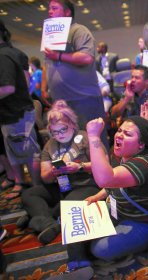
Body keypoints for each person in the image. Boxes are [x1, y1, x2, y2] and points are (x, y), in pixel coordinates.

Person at [52, 116, 148, 278]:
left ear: (141, 145)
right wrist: (96, 195)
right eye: (119, 130)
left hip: (143, 223)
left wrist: (93, 136)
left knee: (100, 249)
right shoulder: (123, 154)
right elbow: (110, 179)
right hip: (120, 210)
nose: (119, 135)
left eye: (127, 134)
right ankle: (79, 263)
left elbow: (106, 178)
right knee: (78, 211)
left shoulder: (144, 165)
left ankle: (144, 242)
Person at [18, 100, 102, 245]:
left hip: (86, 185)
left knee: (67, 206)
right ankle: (47, 222)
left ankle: (38, 216)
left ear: (72, 124)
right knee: (29, 194)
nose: (59, 134)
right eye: (55, 131)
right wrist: (52, 172)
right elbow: (45, 177)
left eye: (63, 129)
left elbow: (102, 165)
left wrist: (80, 167)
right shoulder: (50, 145)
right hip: (62, 187)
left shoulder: (85, 137)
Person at [44, 0, 108, 149]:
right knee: (71, 145)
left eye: (54, 8)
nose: (50, 11)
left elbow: (86, 57)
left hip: (83, 98)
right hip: (61, 101)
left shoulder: (78, 30)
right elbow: (47, 62)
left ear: (67, 12)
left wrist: (59, 56)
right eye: (49, 8)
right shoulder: (51, 35)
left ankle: (101, 172)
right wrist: (44, 88)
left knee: (94, 142)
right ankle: (80, 172)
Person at [0, 19, 41, 199]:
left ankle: (35, 187)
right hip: (20, 110)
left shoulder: (2, 56)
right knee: (19, 150)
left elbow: (8, 88)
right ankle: (25, 183)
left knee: (27, 152)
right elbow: (25, 82)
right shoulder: (17, 53)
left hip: (14, 112)